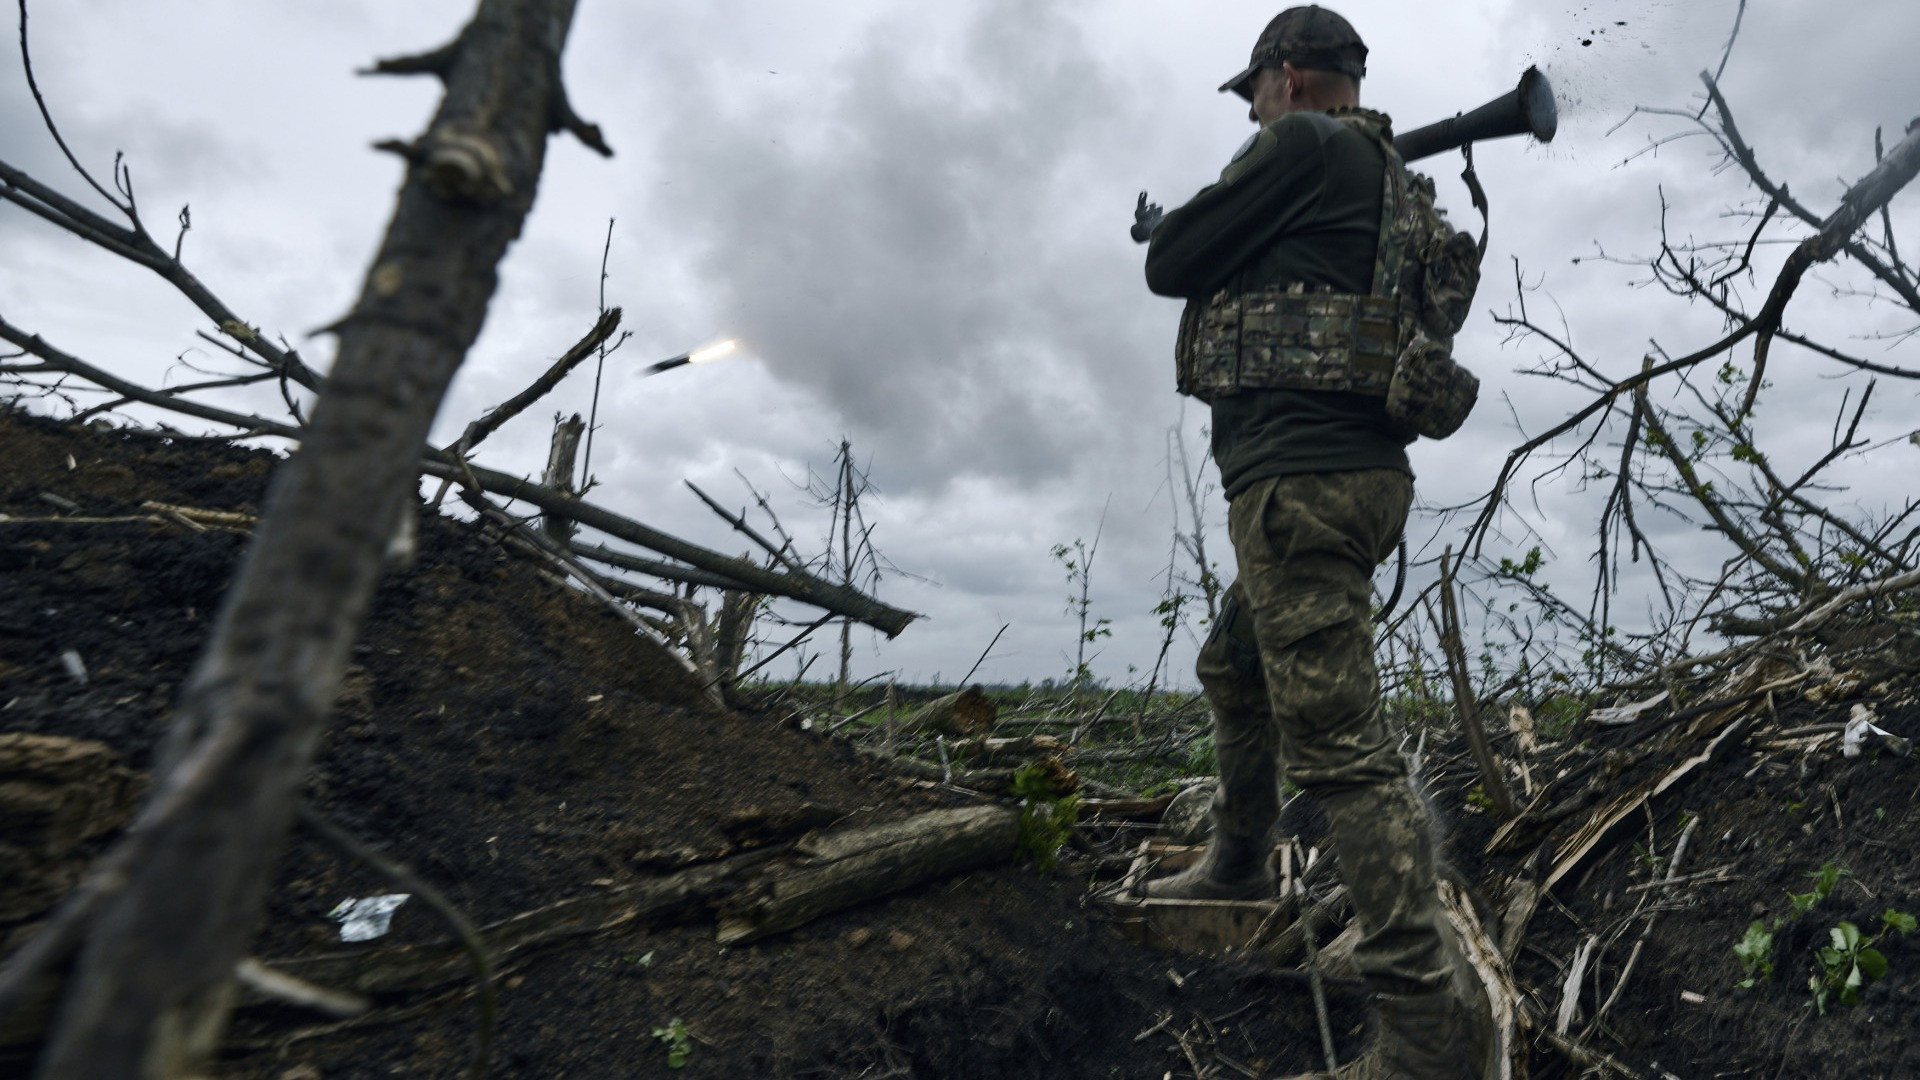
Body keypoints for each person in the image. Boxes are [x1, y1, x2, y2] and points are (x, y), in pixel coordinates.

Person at [1139, 7, 1491, 1079]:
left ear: (1286, 78)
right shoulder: (1389, 179)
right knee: (1233, 665)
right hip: (1355, 480)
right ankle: (1238, 862)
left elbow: (1173, 261)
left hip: (1299, 482)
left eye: (1251, 92)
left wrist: (1193, 217)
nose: (1249, 111)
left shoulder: (1301, 147)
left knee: (1342, 749)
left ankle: (1427, 1031)